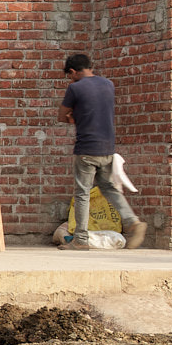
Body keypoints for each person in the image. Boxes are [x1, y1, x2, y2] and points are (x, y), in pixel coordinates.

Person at [57, 52, 150, 249]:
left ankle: (80, 240)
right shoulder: (108, 84)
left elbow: (61, 115)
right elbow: (95, 109)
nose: (70, 78)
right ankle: (132, 220)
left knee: (82, 193)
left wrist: (71, 117)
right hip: (108, 148)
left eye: (70, 74)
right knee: (109, 188)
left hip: (86, 149)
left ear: (73, 71)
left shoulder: (75, 88)